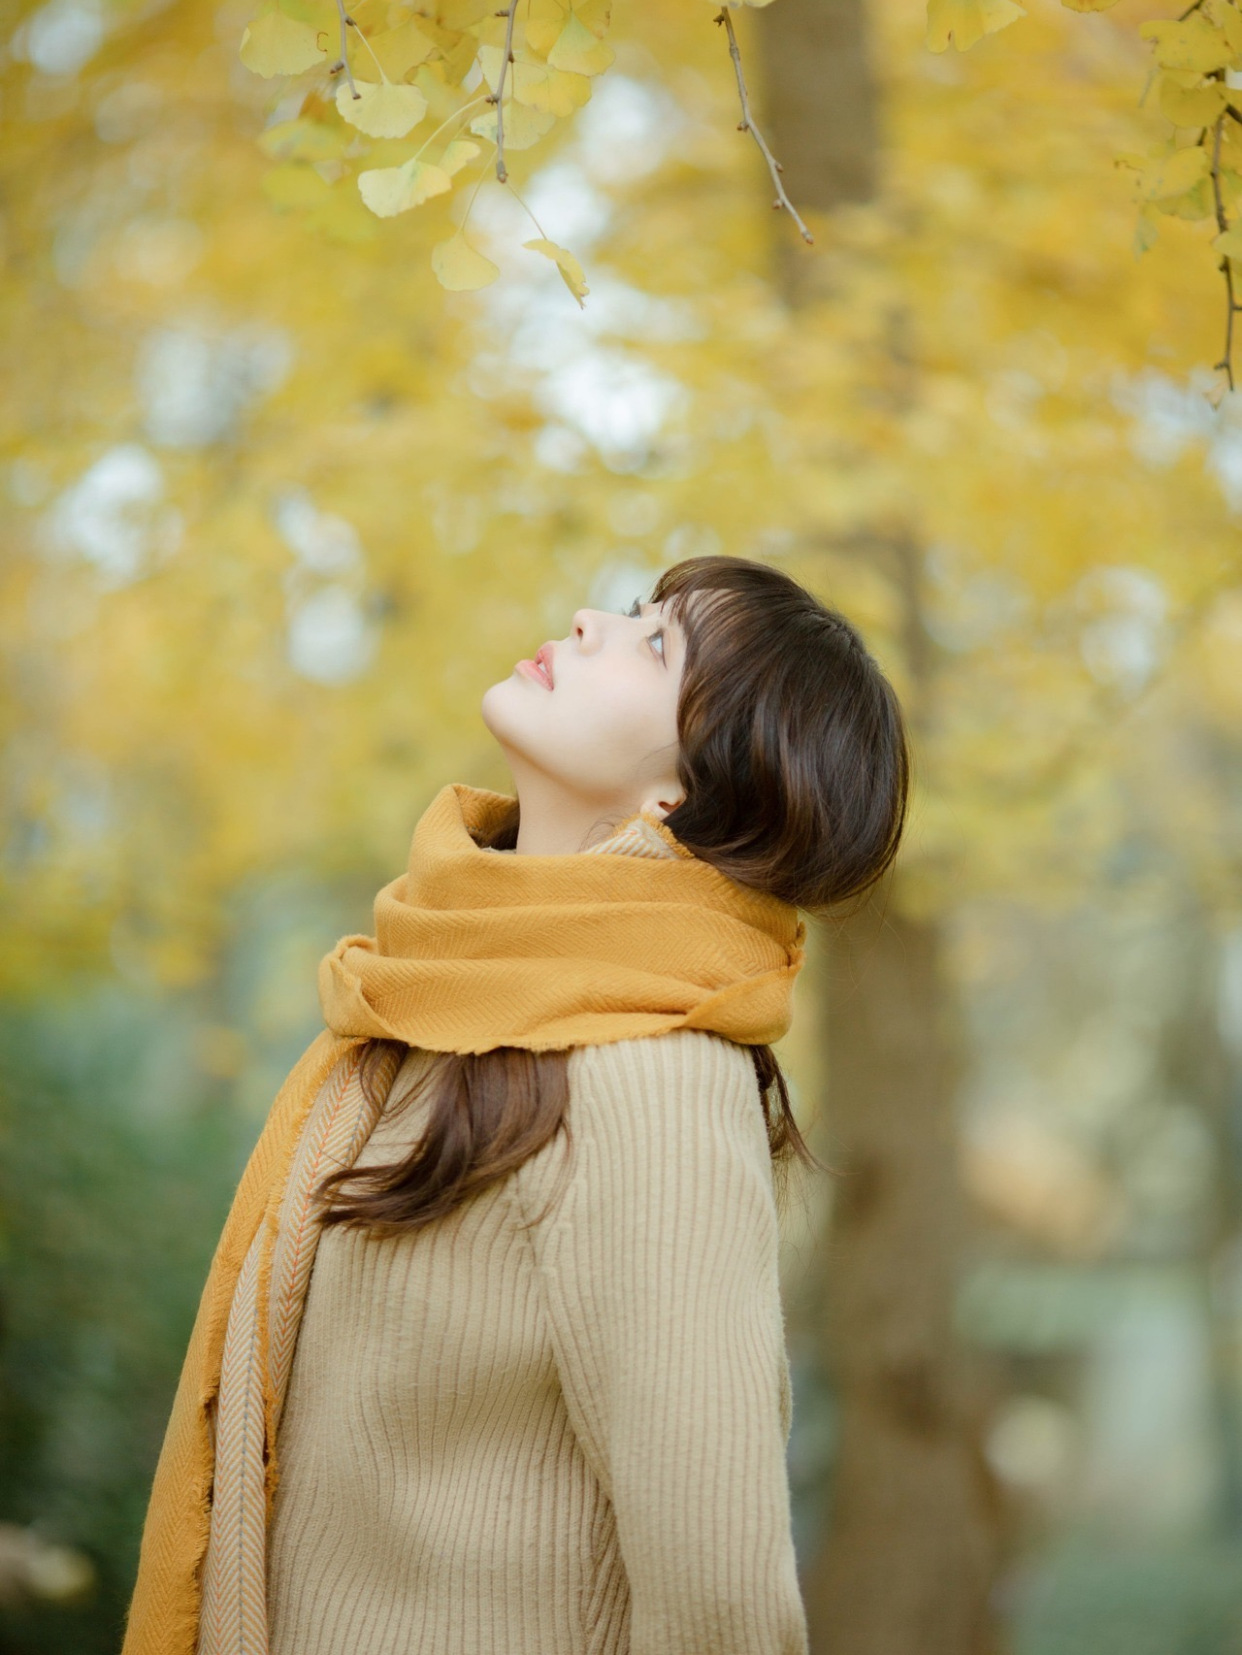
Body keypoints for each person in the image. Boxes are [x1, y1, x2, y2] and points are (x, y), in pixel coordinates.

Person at [122, 554, 909, 1655]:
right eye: (633, 613)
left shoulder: (653, 1073)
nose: (590, 621)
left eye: (656, 644)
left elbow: (723, 1602)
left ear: (678, 790)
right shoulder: (421, 1012)